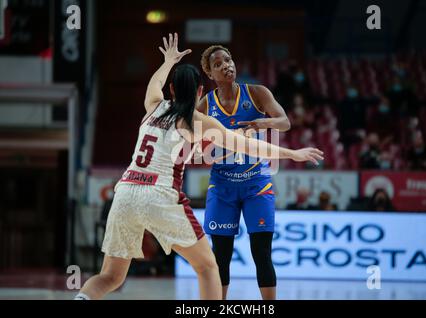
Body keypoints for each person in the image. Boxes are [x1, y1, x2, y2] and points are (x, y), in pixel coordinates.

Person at [74, 33, 324, 300]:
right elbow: (249, 146)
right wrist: (293, 153)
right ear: (201, 91)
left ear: (171, 90)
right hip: (159, 193)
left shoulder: (153, 106)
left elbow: (154, 83)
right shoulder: (198, 118)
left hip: (124, 192)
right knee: (207, 267)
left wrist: (168, 60)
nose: (227, 65)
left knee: (109, 277)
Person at [196, 45, 296, 300]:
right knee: (221, 257)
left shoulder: (257, 93)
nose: (226, 65)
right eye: (218, 64)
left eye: (228, 60)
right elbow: (186, 130)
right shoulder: (206, 104)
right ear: (210, 73)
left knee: (261, 254)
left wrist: (266, 122)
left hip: (256, 184)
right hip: (222, 185)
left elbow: (285, 122)